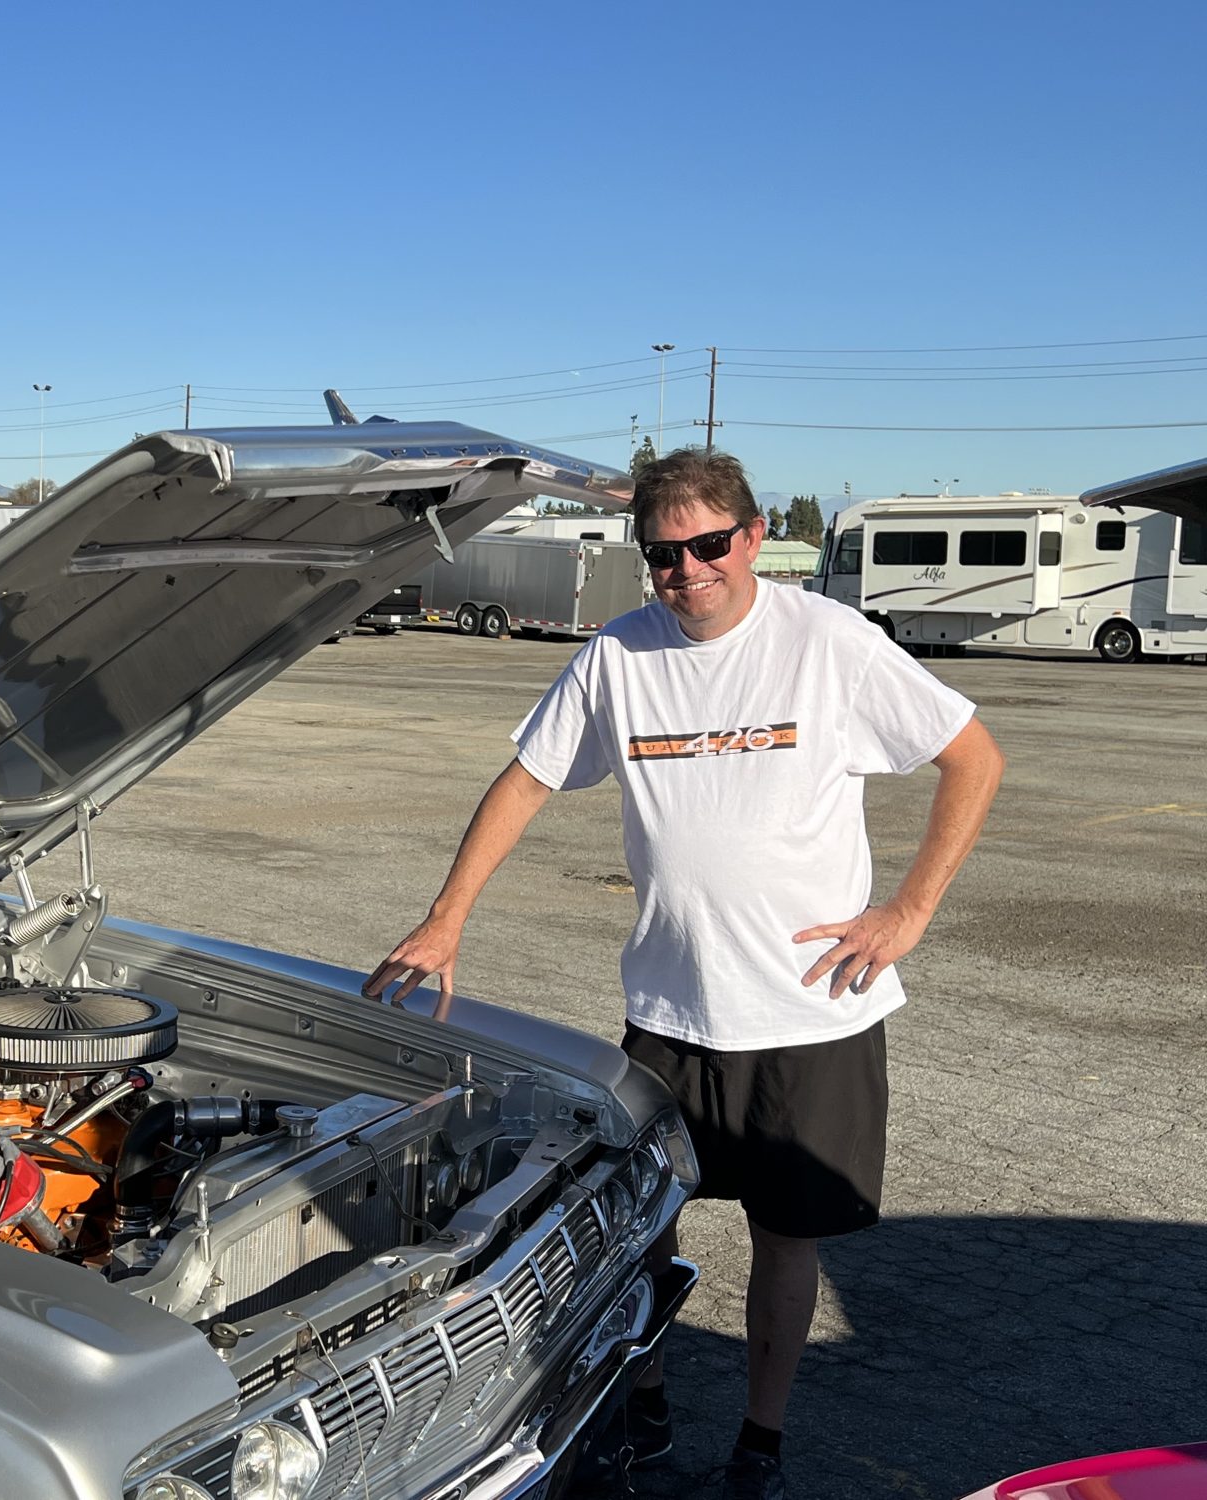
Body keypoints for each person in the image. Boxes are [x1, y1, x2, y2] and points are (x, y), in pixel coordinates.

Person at [363, 449, 1004, 1499]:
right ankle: (643, 1409)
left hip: (811, 1016)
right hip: (667, 1014)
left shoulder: (827, 641)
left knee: (785, 1245)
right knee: (632, 1234)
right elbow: (524, 782)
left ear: (752, 538)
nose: (687, 571)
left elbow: (971, 757)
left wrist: (908, 912)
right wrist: (444, 919)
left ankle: (760, 1441)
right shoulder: (618, 655)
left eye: (709, 545)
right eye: (663, 554)